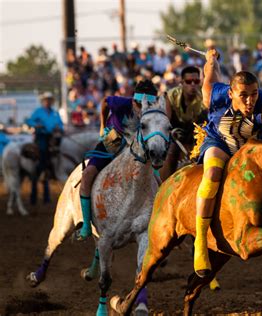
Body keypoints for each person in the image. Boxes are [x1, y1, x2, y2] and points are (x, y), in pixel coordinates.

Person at [193, 48, 262, 277]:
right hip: (219, 142)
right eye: (243, 95)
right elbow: (210, 74)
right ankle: (200, 242)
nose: (250, 100)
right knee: (212, 174)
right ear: (231, 93)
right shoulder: (213, 94)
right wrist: (211, 59)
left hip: (250, 147)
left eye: (254, 94)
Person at [76, 79, 164, 241]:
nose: (141, 108)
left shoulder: (153, 113)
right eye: (138, 103)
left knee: (158, 181)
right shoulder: (119, 103)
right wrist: (103, 125)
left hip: (138, 151)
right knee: (88, 174)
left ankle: (159, 223)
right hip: (112, 142)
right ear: (133, 100)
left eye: (145, 104)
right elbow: (105, 102)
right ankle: (87, 224)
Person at [159, 66, 207, 181]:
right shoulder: (170, 95)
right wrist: (172, 134)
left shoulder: (204, 98)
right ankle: (164, 185)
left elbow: (206, 123)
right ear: (182, 83)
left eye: (196, 81)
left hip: (196, 134)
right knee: (171, 151)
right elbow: (166, 121)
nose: (193, 85)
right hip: (175, 134)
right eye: (189, 81)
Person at [26, 92, 64, 204]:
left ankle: (50, 169)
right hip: (41, 136)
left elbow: (61, 124)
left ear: (51, 101)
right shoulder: (38, 111)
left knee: (62, 148)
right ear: (43, 101)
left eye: (49, 100)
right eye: (46, 100)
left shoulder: (55, 113)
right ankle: (44, 166)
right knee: (43, 150)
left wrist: (59, 128)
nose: (48, 102)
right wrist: (36, 125)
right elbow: (29, 121)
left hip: (52, 137)